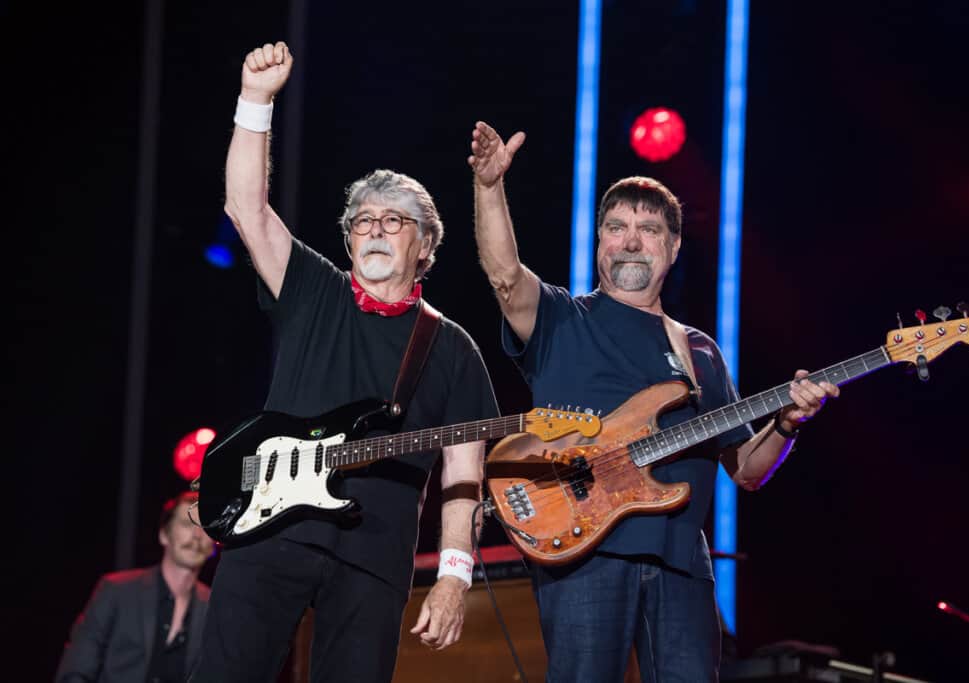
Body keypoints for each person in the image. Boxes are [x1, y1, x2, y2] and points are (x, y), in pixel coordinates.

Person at [468, 121, 840, 682]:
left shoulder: (699, 350)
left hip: (683, 567)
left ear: (673, 246)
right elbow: (503, 275)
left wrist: (787, 424)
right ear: (599, 241)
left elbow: (747, 472)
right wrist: (489, 188)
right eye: (616, 227)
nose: (632, 239)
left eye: (649, 228)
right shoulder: (563, 319)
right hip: (584, 553)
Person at [191, 43, 498, 682]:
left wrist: (452, 577)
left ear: (426, 246)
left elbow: (462, 480)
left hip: (374, 562)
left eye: (395, 221)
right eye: (363, 221)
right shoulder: (313, 288)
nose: (377, 230)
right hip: (267, 533)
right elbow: (246, 208)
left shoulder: (453, 349)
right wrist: (256, 101)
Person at [55, 491, 215, 682]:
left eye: (205, 527)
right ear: (164, 535)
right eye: (187, 524)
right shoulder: (117, 590)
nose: (197, 535)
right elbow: (77, 667)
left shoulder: (215, 606)